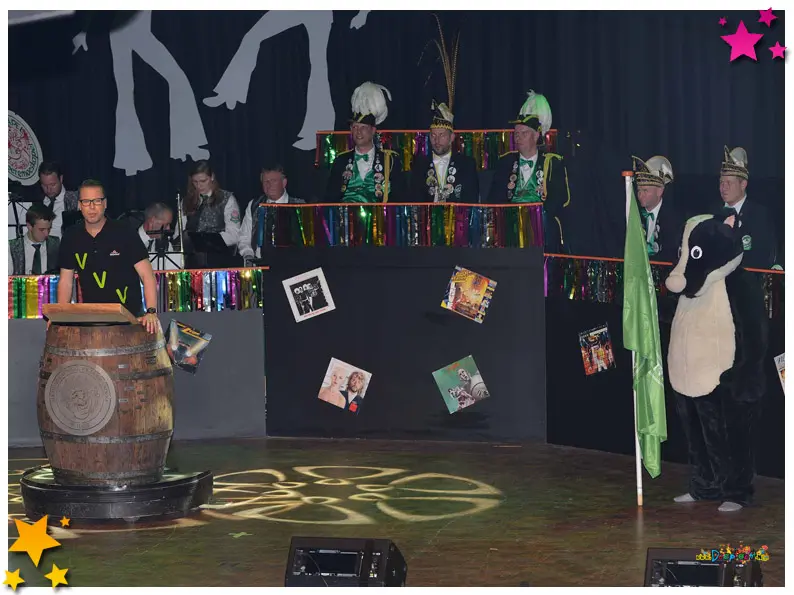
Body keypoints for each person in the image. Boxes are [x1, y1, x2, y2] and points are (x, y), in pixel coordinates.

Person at [56, 179, 159, 333]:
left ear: (105, 203)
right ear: (79, 205)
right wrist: (61, 317)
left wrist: (151, 312)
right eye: (86, 201)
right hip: (93, 319)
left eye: (97, 201)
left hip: (130, 318)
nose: (91, 207)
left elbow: (147, 275)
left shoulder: (124, 231)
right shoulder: (71, 236)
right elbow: (65, 281)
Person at [486, 90, 570, 252]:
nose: (518, 138)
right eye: (516, 134)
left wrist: (534, 217)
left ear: (536, 136)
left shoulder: (552, 162)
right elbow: (494, 198)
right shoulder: (505, 162)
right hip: (510, 229)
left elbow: (560, 198)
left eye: (523, 133)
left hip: (541, 228)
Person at [324, 81, 403, 203]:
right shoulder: (341, 160)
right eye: (355, 127)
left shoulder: (390, 160)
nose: (358, 132)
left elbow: (399, 198)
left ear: (373, 130)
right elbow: (330, 199)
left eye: (363, 127)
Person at [716, 146, 778, 270]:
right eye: (721, 182)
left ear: (743, 184)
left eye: (729, 183)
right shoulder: (713, 212)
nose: (724, 187)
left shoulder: (759, 215)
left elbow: (762, 256)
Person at [408, 101, 479, 203]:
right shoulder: (420, 165)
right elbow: (414, 201)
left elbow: (471, 201)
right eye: (433, 135)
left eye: (442, 135)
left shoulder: (467, 164)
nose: (437, 140)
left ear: (452, 138)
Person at [239, 164, 305, 266]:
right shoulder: (254, 205)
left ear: (284, 183)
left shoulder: (300, 206)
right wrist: (248, 255)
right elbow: (244, 238)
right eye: (266, 181)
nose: (269, 185)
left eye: (274, 181)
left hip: (292, 266)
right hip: (260, 265)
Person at [182, 160, 242, 267]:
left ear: (212, 177)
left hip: (219, 259)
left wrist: (207, 240)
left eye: (203, 181)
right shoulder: (186, 201)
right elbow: (180, 232)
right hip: (192, 261)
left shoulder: (227, 199)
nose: (199, 185)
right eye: (195, 182)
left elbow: (234, 234)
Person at [632, 155, 684, 264]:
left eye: (645, 190)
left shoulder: (673, 219)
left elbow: (671, 255)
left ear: (659, 191)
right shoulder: (634, 215)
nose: (640, 195)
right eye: (639, 190)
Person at [8, 204, 60, 275]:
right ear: (29, 226)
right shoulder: (11, 248)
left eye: (49, 229)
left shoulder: (57, 244)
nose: (46, 233)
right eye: (42, 229)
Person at [38, 162, 79, 239]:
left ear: (61, 179)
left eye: (52, 185)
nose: (49, 190)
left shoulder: (75, 200)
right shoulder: (37, 201)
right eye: (44, 185)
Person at [138, 202, 183, 270]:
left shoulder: (166, 245)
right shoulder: (131, 241)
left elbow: (172, 270)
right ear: (153, 220)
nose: (168, 228)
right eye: (166, 225)